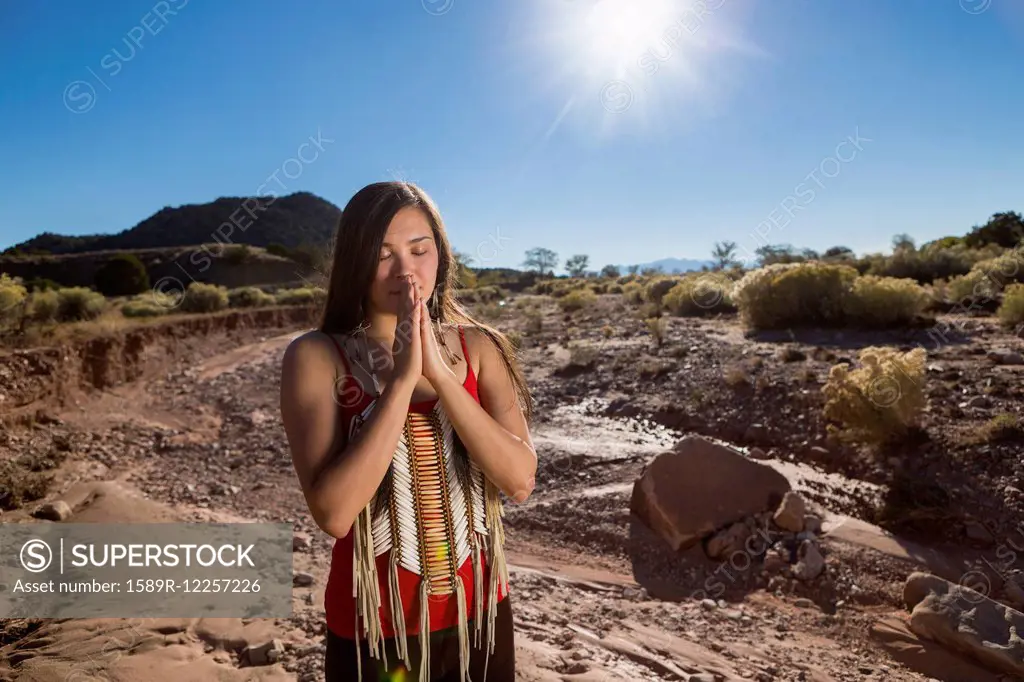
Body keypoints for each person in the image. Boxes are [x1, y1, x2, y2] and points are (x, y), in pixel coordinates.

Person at [279, 181, 537, 681]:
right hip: (374, 629)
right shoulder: (317, 357)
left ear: (440, 254)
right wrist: (399, 382)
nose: (406, 270)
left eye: (420, 249)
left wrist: (440, 375)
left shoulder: (480, 347)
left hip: (479, 616)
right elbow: (333, 513)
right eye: (383, 255)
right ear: (356, 262)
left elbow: (520, 481)